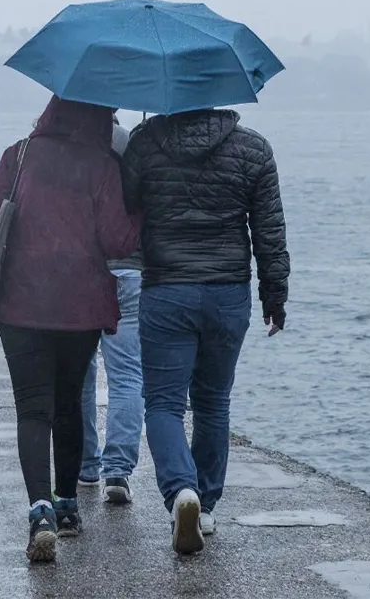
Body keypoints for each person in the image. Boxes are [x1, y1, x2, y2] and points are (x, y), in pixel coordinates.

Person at [0, 96, 139, 563]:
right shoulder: (102, 165)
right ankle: (67, 507)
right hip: (81, 307)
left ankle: (39, 510)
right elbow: (117, 241)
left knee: (32, 409)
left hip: (21, 304)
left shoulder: (19, 155)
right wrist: (142, 214)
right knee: (69, 403)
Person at [122, 107, 289, 556]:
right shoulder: (253, 148)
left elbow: (126, 207)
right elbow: (268, 230)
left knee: (163, 402)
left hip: (167, 289)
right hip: (227, 292)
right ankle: (206, 505)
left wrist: (145, 145)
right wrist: (275, 295)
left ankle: (181, 492)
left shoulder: (145, 141)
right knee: (214, 401)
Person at [79, 118, 145, 504]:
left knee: (80, 373)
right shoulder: (133, 144)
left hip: (83, 273)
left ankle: (87, 464)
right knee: (127, 376)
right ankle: (117, 471)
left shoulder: (69, 146)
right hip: (131, 269)